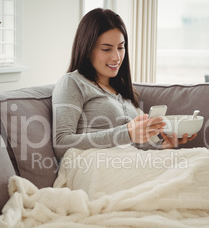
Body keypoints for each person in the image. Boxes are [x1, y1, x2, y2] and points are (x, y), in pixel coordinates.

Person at [52, 8, 196, 160]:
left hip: (131, 165)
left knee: (204, 161)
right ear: (87, 50)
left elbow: (133, 147)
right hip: (98, 168)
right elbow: (61, 144)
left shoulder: (122, 90)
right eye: (106, 49)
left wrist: (161, 147)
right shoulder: (72, 82)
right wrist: (126, 133)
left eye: (121, 47)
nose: (116, 57)